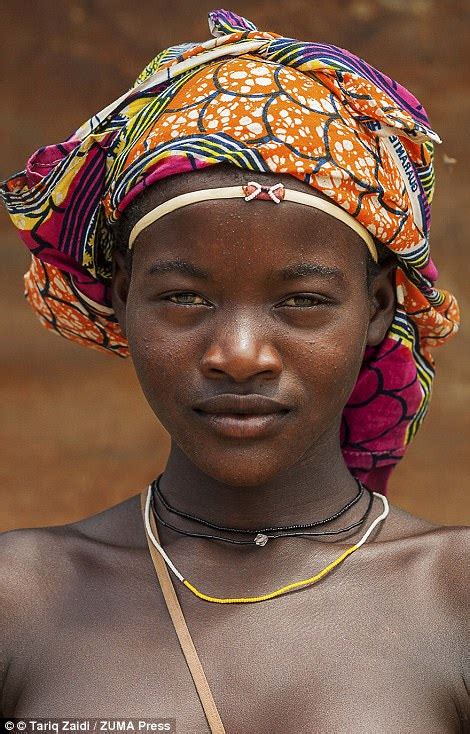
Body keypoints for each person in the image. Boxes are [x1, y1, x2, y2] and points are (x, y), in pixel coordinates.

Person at [1, 9, 468, 732]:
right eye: (184, 297)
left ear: (377, 306)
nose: (241, 354)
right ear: (122, 297)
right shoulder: (21, 599)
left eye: (303, 301)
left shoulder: (454, 598)